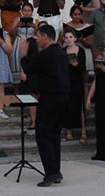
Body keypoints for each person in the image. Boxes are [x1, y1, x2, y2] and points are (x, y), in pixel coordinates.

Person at [20, 25, 69, 187]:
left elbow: (28, 68)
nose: (37, 39)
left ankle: (51, 172)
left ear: (46, 36)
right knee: (55, 135)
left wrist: (24, 53)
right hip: (63, 97)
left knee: (43, 135)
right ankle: (56, 171)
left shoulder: (47, 54)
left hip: (50, 98)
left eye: (38, 36)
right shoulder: (62, 53)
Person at [14, 4, 39, 128]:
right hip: (20, 44)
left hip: (32, 47)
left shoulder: (36, 21)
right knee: (18, 75)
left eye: (29, 10)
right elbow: (12, 33)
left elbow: (40, 35)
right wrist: (17, 26)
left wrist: (34, 27)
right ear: (22, 11)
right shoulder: (18, 20)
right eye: (25, 10)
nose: (27, 12)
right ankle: (18, 99)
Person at [62, 30, 88, 144]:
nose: (68, 39)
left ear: (75, 38)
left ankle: (83, 132)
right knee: (67, 106)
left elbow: (83, 67)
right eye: (66, 37)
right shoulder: (63, 51)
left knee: (79, 106)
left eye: (70, 37)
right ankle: (69, 132)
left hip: (77, 81)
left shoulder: (80, 50)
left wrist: (76, 65)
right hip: (67, 81)